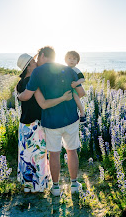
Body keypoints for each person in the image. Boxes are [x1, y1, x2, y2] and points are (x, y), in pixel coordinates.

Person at [18, 46, 86, 196]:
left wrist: (18, 96)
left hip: (50, 121)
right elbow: (81, 93)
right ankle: (74, 185)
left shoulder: (37, 72)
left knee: (54, 154)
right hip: (70, 118)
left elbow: (27, 95)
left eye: (37, 58)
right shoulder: (68, 69)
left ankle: (56, 188)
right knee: (72, 151)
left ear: (42, 55)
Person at [65, 51, 86, 123]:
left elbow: (83, 79)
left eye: (74, 59)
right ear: (65, 60)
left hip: (74, 88)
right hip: (66, 88)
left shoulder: (76, 70)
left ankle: (82, 113)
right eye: (69, 58)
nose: (71, 60)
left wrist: (76, 83)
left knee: (76, 98)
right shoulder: (64, 69)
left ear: (77, 61)